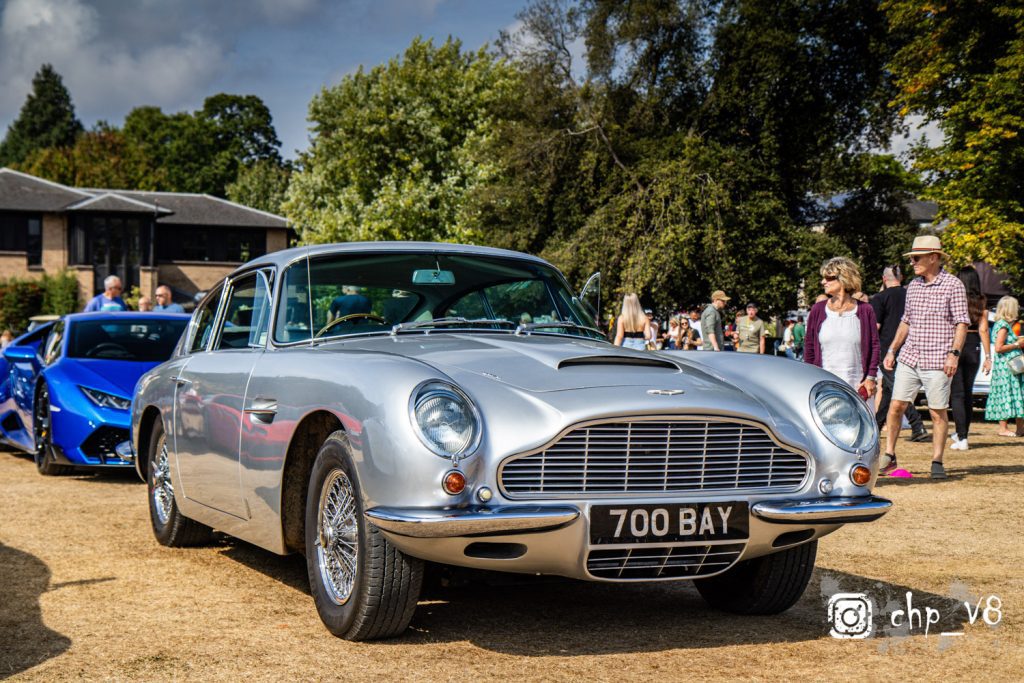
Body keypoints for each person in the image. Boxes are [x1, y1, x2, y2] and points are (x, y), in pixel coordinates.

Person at [882, 236, 970, 479]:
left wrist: (954, 354)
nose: (912, 262)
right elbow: (906, 321)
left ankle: (937, 460)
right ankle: (889, 455)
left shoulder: (953, 285)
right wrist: (892, 350)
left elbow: (962, 323)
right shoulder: (913, 286)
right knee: (896, 406)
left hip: (938, 358)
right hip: (910, 356)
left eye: (916, 257)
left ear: (933, 257)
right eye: (911, 258)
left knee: (937, 412)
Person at [803, 258, 880, 401]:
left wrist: (871, 377)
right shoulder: (817, 310)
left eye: (828, 278)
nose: (823, 282)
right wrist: (810, 378)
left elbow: (874, 346)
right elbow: (809, 348)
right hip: (824, 386)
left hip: (858, 385)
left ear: (843, 278)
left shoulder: (865, 310)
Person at [871, 265, 929, 443]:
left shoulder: (879, 298)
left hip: (886, 348)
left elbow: (876, 327)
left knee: (897, 388)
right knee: (888, 390)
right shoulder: (910, 295)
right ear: (901, 277)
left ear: (884, 279)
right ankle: (875, 427)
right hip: (909, 346)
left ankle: (917, 425)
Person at [949, 267, 991, 450]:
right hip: (974, 346)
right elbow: (984, 329)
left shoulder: (954, 298)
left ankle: (962, 437)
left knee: (957, 394)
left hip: (957, 344)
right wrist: (988, 356)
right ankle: (963, 433)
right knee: (967, 393)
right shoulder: (981, 300)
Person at [984, 296, 1024, 437]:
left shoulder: (1003, 324)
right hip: (1007, 367)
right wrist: (1017, 344)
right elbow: (999, 348)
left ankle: (1020, 429)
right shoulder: (1003, 326)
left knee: (1017, 394)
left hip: (1011, 367)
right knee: (1006, 395)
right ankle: (1003, 429)